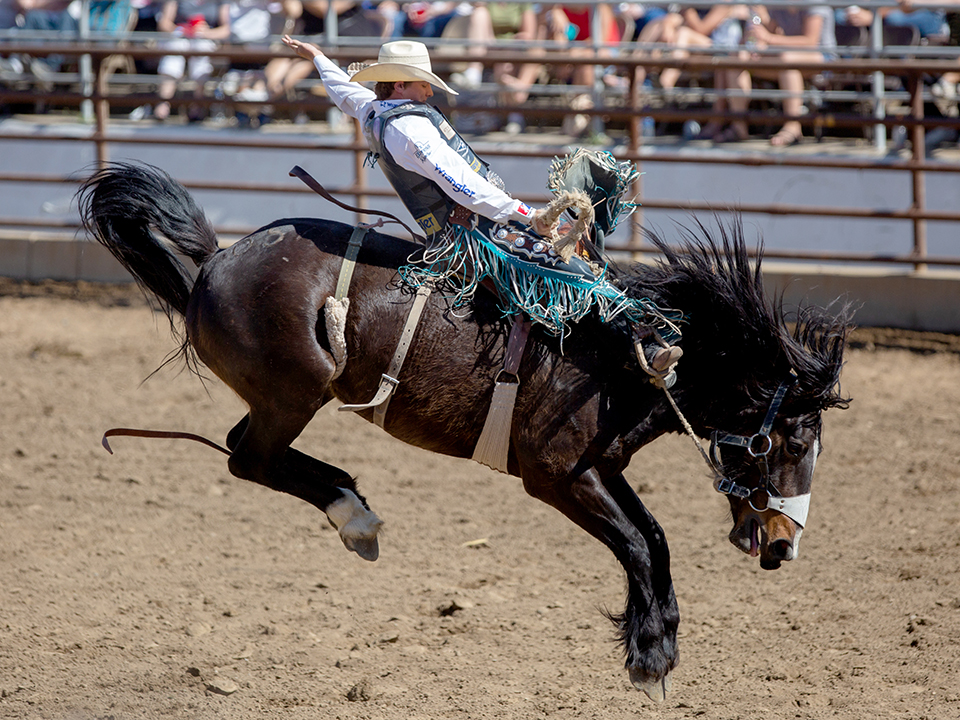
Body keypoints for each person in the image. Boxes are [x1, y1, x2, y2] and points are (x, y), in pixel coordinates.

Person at [280, 34, 683, 371]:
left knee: (572, 245)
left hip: (466, 223)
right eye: (423, 83)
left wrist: (318, 58)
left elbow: (343, 92)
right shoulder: (410, 130)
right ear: (400, 85)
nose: (430, 89)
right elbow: (462, 186)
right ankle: (643, 343)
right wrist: (527, 215)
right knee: (563, 265)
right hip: (469, 234)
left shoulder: (376, 111)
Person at [745, 2, 836, 146]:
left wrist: (768, 38)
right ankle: (735, 124)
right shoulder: (778, 5)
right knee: (741, 60)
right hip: (786, 56)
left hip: (823, 58)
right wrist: (762, 24)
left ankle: (793, 126)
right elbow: (769, 34)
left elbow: (810, 42)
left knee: (787, 60)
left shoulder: (815, 4)